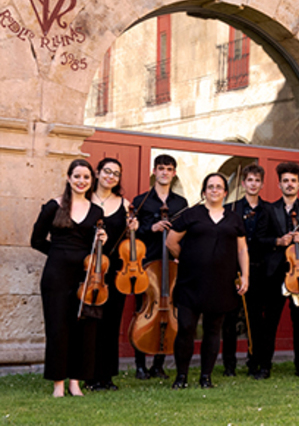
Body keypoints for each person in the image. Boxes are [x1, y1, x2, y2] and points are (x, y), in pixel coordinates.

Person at [30, 159, 107, 397]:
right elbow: (37, 240)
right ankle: (58, 384)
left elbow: (97, 248)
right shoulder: (53, 206)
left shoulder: (97, 211)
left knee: (84, 328)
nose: (81, 181)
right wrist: (58, 255)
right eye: (77, 177)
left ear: (91, 180)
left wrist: (103, 240)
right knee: (58, 328)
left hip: (84, 276)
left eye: (86, 177)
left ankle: (75, 381)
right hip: (56, 276)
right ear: (68, 178)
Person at [166, 173, 250, 389]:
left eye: (219, 187)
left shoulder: (234, 219)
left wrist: (245, 276)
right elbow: (171, 241)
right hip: (190, 283)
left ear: (225, 192)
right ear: (204, 192)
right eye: (210, 187)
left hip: (221, 283)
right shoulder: (191, 214)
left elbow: (242, 249)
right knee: (185, 328)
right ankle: (181, 377)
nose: (214, 190)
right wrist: (186, 258)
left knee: (213, 331)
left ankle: (206, 377)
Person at [253, 162, 299, 378]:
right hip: (274, 274)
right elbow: (259, 239)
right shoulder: (268, 210)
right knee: (269, 322)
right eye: (285, 181)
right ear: (279, 184)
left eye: (293, 181)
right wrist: (278, 241)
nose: (289, 184)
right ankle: (265, 367)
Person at [130, 154, 188, 380]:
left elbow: (185, 232)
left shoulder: (180, 204)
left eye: (169, 169)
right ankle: (140, 365)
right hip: (147, 263)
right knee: (142, 311)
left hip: (171, 263)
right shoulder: (142, 200)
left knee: (168, 311)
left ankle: (159, 364)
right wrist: (151, 227)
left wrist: (179, 254)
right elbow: (133, 232)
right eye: (161, 168)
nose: (165, 172)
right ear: (154, 171)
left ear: (174, 174)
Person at [87, 158, 139, 391]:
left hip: (116, 272)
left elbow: (130, 245)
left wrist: (132, 230)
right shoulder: (85, 201)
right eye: (107, 171)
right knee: (90, 324)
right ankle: (88, 375)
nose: (110, 176)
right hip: (90, 271)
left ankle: (107, 376)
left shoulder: (124, 203)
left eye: (116, 173)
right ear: (97, 173)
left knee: (110, 324)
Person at [222, 164, 267, 377]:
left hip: (257, 269)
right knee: (229, 319)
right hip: (232, 270)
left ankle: (254, 362)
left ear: (262, 184)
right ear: (243, 183)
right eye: (250, 180)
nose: (253, 184)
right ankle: (229, 364)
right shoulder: (231, 209)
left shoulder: (268, 210)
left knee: (255, 319)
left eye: (257, 181)